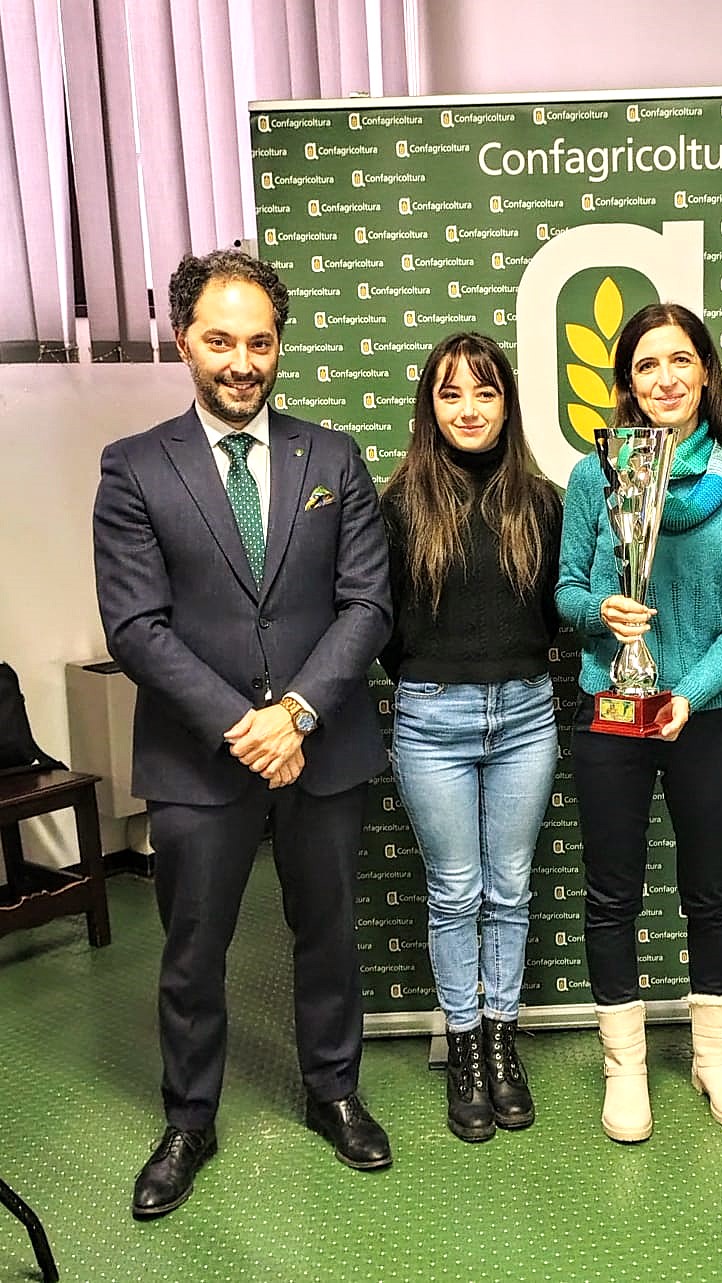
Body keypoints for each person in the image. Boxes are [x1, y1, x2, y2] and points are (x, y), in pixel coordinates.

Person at [93, 250, 393, 1219]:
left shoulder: (333, 458)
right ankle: (190, 1117)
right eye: (220, 340)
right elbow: (136, 626)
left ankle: (333, 1090)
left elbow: (367, 604)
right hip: (195, 757)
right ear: (183, 341)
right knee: (193, 949)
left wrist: (296, 712)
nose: (242, 361)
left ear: (278, 345)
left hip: (322, 747)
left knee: (329, 933)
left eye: (259, 341)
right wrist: (244, 724)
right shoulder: (135, 466)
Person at [556, 302, 722, 1142]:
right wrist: (600, 611)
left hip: (706, 714)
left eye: (680, 360)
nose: (665, 378)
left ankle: (715, 1056)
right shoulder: (595, 474)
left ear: (706, 371)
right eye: (646, 365)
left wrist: (690, 691)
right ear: (626, 384)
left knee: (710, 890)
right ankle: (626, 1065)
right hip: (613, 706)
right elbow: (566, 590)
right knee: (611, 890)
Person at [379, 333, 561, 1143]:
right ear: (431, 405)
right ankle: (463, 1045)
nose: (469, 409)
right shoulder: (398, 504)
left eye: (484, 392)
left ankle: (501, 1040)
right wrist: (433, 678)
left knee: (510, 888)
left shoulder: (542, 501)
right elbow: (380, 623)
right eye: (451, 393)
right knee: (456, 891)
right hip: (432, 718)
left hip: (526, 715)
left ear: (507, 403)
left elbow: (557, 610)